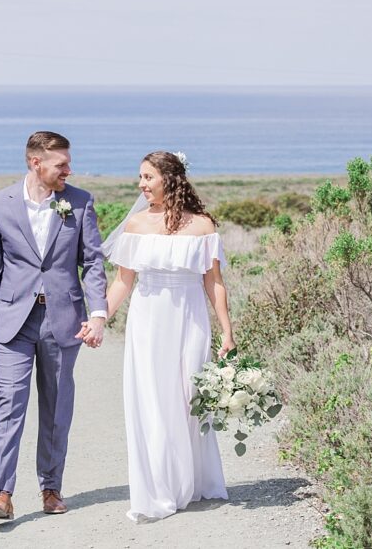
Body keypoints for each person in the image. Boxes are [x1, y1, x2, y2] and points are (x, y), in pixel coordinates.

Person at [0, 131, 108, 520]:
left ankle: (51, 488)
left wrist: (97, 313)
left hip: (63, 321)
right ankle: (2, 493)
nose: (69, 169)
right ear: (36, 163)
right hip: (12, 324)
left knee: (56, 408)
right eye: (61, 164)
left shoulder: (80, 202)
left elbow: (93, 262)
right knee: (8, 405)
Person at [103, 150, 235, 522]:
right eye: (140, 178)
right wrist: (97, 318)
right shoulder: (136, 226)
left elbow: (215, 283)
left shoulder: (203, 226)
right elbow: (122, 282)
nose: (141, 185)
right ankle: (159, 490)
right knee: (152, 400)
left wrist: (227, 330)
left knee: (187, 397)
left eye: (148, 177)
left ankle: (190, 482)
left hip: (190, 317)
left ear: (169, 178)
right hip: (148, 320)